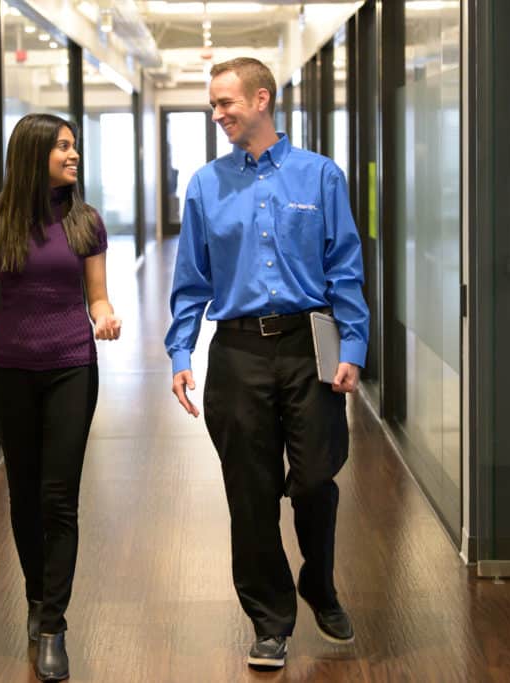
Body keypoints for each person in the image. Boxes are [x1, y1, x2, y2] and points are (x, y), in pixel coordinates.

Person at [165, 57, 369, 670]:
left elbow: (346, 271)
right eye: (212, 105)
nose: (218, 114)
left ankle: (320, 583)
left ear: (261, 99)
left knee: (314, 479)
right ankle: (269, 620)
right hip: (237, 352)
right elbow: (190, 280)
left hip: (310, 347)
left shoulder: (320, 177)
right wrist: (181, 351)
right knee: (249, 493)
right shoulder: (205, 185)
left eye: (226, 102)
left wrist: (353, 349)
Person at [0, 113, 121, 682]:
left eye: (75, 147)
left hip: (73, 367)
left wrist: (105, 316)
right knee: (22, 499)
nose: (73, 156)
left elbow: (97, 296)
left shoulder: (85, 223)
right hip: (12, 372)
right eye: (63, 147)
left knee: (58, 498)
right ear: (32, 154)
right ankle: (35, 599)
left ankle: (53, 625)